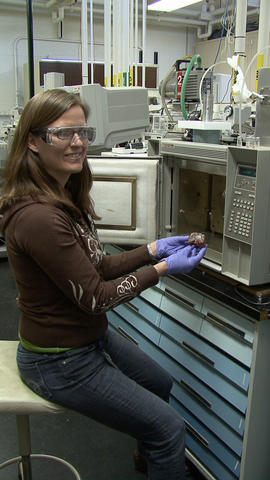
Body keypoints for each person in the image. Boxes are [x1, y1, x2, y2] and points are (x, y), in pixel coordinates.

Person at [0, 88, 206, 480]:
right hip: (58, 361)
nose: (77, 142)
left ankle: (150, 462)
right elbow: (96, 298)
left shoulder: (63, 194)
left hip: (88, 340)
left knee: (159, 383)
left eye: (83, 131)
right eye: (63, 133)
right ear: (32, 141)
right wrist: (163, 268)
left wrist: (152, 248)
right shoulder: (38, 216)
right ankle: (160, 454)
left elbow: (96, 266)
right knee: (168, 428)